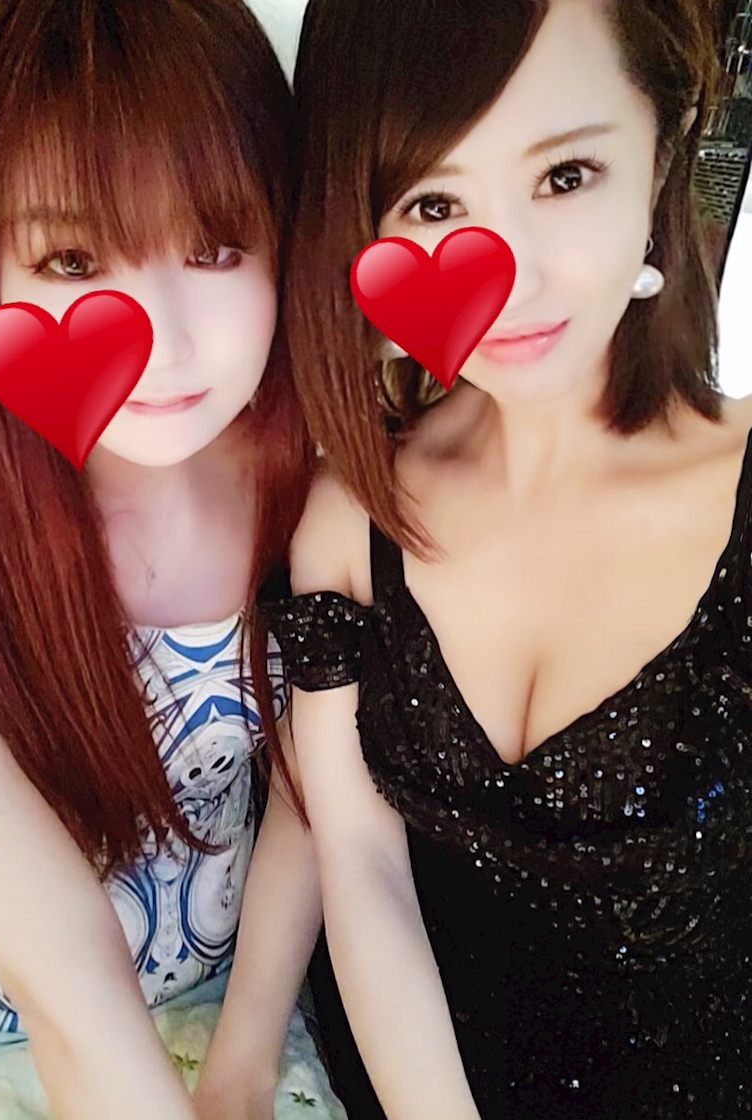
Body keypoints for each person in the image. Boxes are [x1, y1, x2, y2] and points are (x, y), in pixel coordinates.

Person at [268, 0, 752, 1116]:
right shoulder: (354, 512)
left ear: (662, 154)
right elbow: (362, 863)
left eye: (566, 176)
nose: (509, 275)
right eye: (434, 204)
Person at [0, 2, 343, 1118]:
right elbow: (67, 985)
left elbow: (318, 795)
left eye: (214, 247)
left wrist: (247, 1056)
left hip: (238, 1000)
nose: (163, 335)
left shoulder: (315, 489)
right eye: (71, 258)